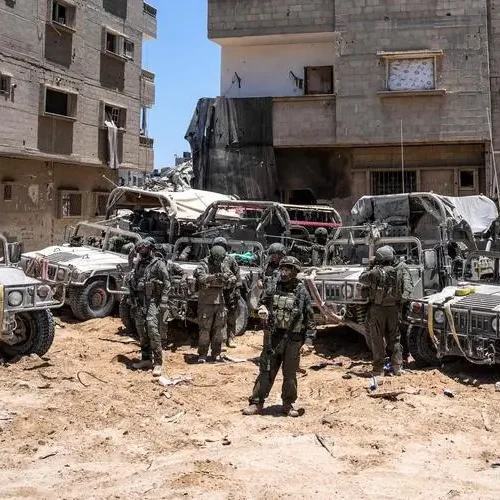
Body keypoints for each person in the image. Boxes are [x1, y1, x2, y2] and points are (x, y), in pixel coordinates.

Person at [243, 256, 316, 418]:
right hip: (273, 337)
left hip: (293, 338)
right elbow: (261, 303)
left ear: (295, 271)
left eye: (288, 269)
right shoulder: (273, 286)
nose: (284, 272)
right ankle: (256, 402)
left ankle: (288, 404)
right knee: (266, 370)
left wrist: (309, 341)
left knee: (290, 374)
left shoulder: (301, 291)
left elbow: (310, 317)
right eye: (283, 269)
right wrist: (262, 310)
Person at [127, 237, 171, 377]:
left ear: (150, 249)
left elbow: (166, 282)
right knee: (141, 329)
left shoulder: (158, 264)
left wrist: (164, 300)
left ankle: (158, 362)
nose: (141, 251)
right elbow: (133, 279)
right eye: (139, 249)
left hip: (152, 300)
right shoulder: (139, 263)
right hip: (139, 301)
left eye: (143, 249)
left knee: (152, 328)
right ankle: (146, 359)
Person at [359, 245, 403, 377]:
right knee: (395, 338)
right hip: (394, 309)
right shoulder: (397, 271)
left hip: (378, 309)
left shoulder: (375, 272)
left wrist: (370, 265)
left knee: (377, 339)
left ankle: (378, 369)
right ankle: (397, 367)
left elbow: (361, 278)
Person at [193, 245, 237, 363]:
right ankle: (202, 354)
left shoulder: (222, 265)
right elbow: (201, 278)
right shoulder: (204, 264)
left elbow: (233, 277)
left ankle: (216, 353)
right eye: (218, 259)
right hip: (206, 302)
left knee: (219, 329)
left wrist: (227, 280)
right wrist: (216, 277)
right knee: (205, 330)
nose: (220, 262)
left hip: (220, 301)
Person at [212, 236, 241, 349]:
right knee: (220, 317)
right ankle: (222, 341)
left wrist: (237, 289)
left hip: (230, 292)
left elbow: (237, 275)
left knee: (231, 316)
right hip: (217, 292)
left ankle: (231, 338)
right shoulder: (211, 259)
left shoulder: (230, 260)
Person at [394, 254, 414, 367]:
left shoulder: (402, 267)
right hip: (390, 304)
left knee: (402, 329)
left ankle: (405, 355)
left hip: (401, 304)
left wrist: (402, 300)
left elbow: (407, 286)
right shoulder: (385, 267)